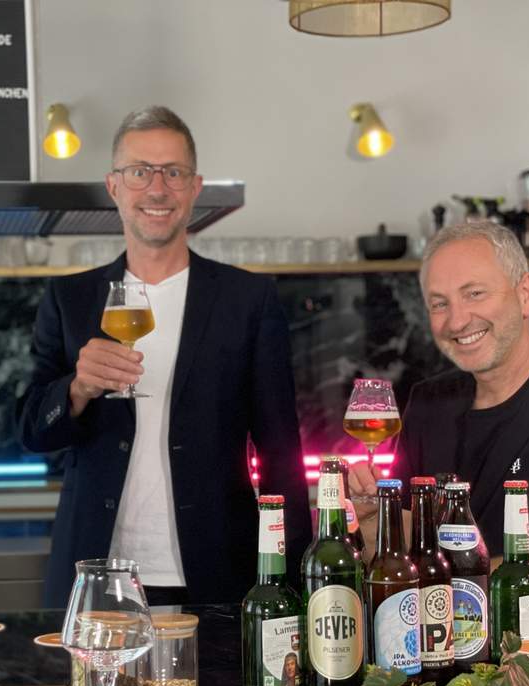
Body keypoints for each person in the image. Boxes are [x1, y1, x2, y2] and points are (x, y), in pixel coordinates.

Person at [17, 106, 310, 608]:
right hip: (95, 573)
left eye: (172, 173)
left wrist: (296, 577)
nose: (157, 189)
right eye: (139, 172)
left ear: (195, 187)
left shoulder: (247, 299)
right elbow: (30, 431)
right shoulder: (71, 299)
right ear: (114, 185)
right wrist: (77, 389)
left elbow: (281, 451)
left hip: (219, 570)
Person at [350, 221, 529, 606]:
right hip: (439, 638)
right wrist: (371, 519)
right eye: (439, 303)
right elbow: (402, 559)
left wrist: (441, 577)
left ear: (525, 295)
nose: (457, 320)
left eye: (475, 293)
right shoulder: (428, 401)